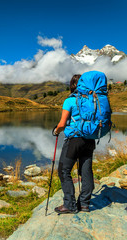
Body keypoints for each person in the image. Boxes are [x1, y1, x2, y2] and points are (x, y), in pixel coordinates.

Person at [53, 74, 96, 214]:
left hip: (74, 140)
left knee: (64, 170)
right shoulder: (92, 100)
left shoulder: (70, 101)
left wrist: (56, 131)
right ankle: (84, 204)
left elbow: (62, 124)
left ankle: (69, 205)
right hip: (89, 140)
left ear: (72, 86)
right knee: (86, 171)